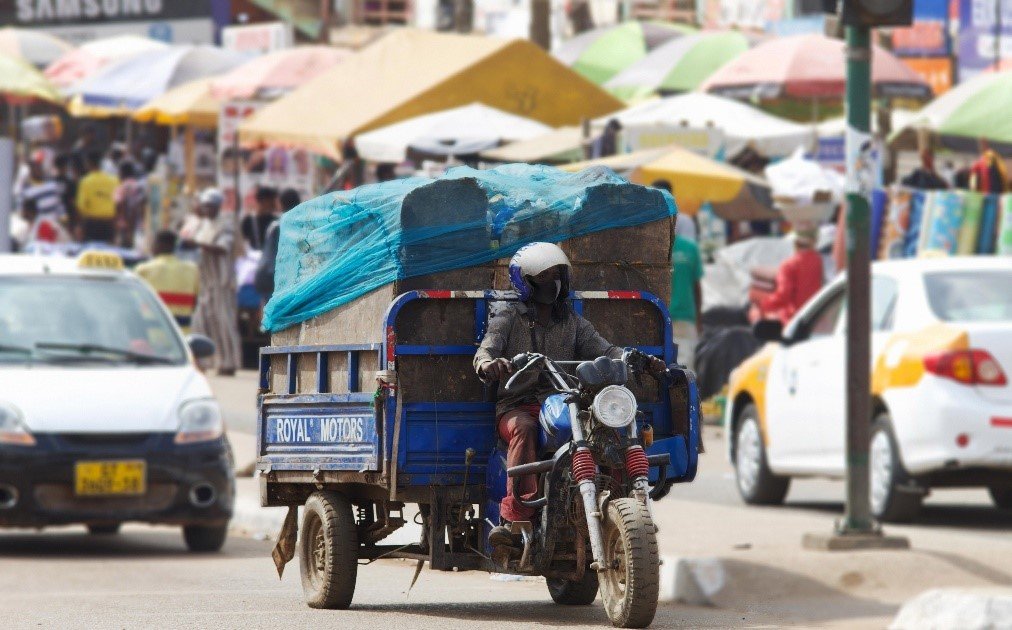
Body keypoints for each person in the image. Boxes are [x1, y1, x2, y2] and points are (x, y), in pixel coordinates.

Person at [473, 243, 665, 550]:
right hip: (517, 407)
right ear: (526, 281)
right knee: (524, 429)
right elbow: (486, 350)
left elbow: (605, 350)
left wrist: (633, 358)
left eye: (558, 273)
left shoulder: (573, 323)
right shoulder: (507, 320)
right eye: (546, 274)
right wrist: (489, 364)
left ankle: (623, 505)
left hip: (565, 404)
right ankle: (516, 517)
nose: (554, 281)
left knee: (610, 428)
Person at [188, 188, 242, 376]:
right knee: (200, 320)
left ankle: (229, 362)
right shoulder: (204, 224)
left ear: (217, 206)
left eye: (209, 206)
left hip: (222, 282)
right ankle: (203, 362)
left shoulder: (225, 224)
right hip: (206, 282)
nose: (206, 209)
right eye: (205, 206)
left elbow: (223, 248)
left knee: (223, 321)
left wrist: (198, 245)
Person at [136, 231, 200, 332]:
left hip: (151, 334)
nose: (151, 247)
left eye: (152, 243)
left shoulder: (144, 270)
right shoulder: (192, 270)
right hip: (182, 338)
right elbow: (194, 304)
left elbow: (134, 306)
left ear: (160, 245)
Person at [759, 228, 824, 326]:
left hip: (793, 321)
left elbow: (783, 295)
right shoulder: (818, 261)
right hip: (815, 317)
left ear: (795, 243)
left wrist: (763, 304)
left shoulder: (789, 265)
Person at [669, 213, 704, 370]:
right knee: (687, 368)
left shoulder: (656, 250)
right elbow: (697, 288)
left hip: (661, 316)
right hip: (686, 317)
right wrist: (698, 320)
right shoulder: (691, 248)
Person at [254, 188, 301, 298]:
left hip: (271, 276)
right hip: (285, 277)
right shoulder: (300, 225)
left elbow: (269, 254)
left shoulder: (276, 226)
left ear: (281, 205)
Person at [75, 151, 120, 243]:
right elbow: (118, 203)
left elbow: (81, 206)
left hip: (92, 224)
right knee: (108, 254)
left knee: (91, 253)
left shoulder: (85, 181)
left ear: (88, 163)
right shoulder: (114, 180)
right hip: (109, 224)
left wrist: (80, 226)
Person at [18, 151, 65, 220]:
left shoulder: (52, 185)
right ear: (31, 167)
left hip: (54, 226)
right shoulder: (26, 191)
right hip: (38, 227)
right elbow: (22, 212)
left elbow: (59, 205)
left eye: (39, 165)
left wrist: (63, 219)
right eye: (35, 165)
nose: (38, 168)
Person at [114, 161, 147, 248]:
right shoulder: (139, 186)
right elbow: (142, 204)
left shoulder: (121, 187)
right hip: (139, 226)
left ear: (121, 172)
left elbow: (119, 204)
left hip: (124, 226)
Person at [241, 185, 278, 250]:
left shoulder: (275, 221)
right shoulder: (248, 220)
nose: (273, 203)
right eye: (271, 200)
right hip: (253, 258)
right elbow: (243, 242)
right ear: (264, 200)